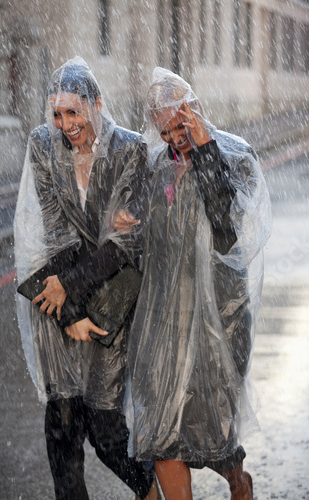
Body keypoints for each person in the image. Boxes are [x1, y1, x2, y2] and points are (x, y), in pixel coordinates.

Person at [122, 68, 272, 500]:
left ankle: (238, 483)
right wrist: (126, 225)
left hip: (217, 322)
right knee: (161, 431)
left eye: (181, 124)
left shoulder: (235, 155)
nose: (173, 137)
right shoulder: (155, 168)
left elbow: (226, 226)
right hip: (162, 321)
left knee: (213, 432)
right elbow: (141, 241)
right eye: (165, 129)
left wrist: (204, 147)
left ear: (197, 109)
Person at [14, 56, 158, 500]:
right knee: (62, 434)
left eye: (73, 112)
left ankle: (149, 489)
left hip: (109, 301)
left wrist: (71, 287)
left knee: (107, 433)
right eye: (56, 114)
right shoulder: (43, 145)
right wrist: (67, 308)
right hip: (58, 302)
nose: (65, 124)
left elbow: (125, 246)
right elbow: (54, 232)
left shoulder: (129, 149)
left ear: (97, 104)